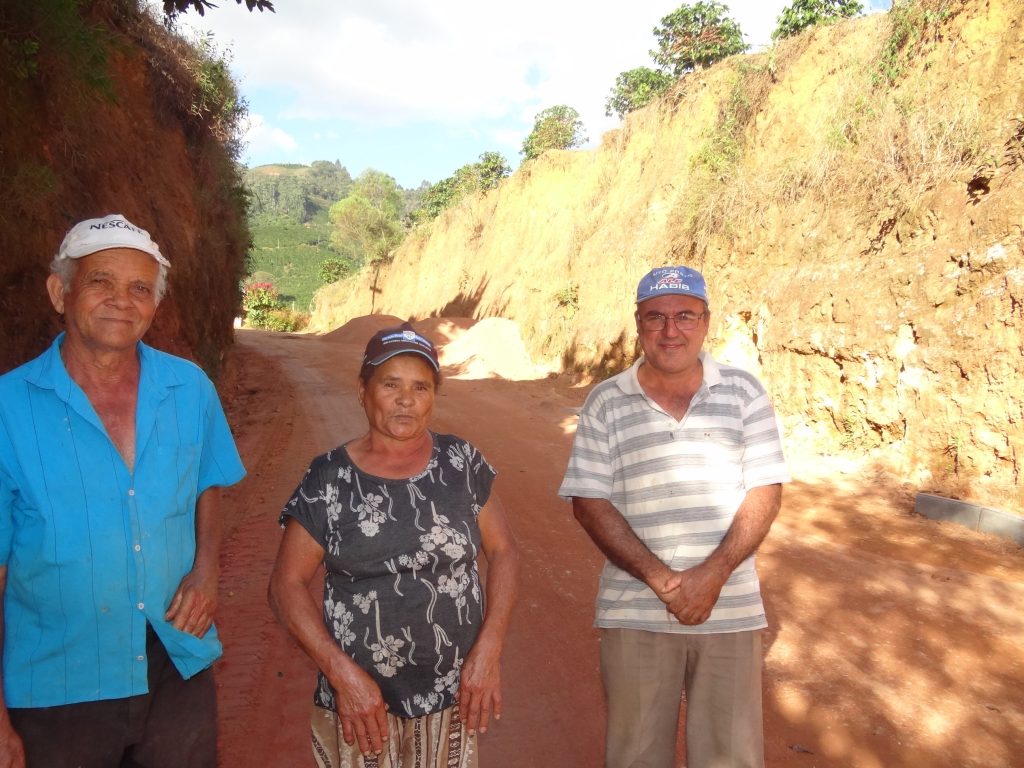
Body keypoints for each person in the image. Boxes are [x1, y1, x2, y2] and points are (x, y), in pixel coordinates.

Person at [0, 213, 246, 768]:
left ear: (155, 304)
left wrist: (206, 569)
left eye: (140, 288)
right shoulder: (7, 410)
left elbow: (208, 481)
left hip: (175, 661)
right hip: (59, 682)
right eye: (100, 281)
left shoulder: (190, 389)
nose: (122, 300)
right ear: (59, 292)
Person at [558, 266, 789, 768]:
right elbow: (589, 503)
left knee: (730, 758)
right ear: (638, 325)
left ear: (706, 322)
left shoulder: (745, 393)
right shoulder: (605, 401)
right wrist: (665, 582)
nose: (670, 330)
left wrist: (714, 574)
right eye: (655, 317)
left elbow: (765, 490)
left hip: (729, 609)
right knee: (635, 756)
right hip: (634, 610)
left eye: (685, 315)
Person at [268, 322, 519, 768]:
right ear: (363, 391)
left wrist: (489, 649)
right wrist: (340, 674)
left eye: (421, 387)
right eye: (390, 384)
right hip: (360, 704)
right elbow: (286, 585)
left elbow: (502, 553)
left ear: (434, 397)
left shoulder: (461, 462)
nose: (406, 399)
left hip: (451, 694)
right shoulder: (328, 478)